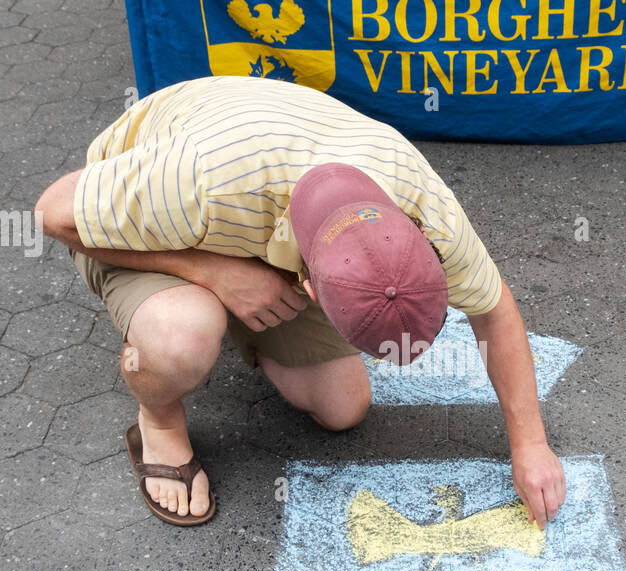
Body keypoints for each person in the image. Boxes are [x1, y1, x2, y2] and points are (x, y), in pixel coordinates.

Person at [36, 75, 566, 528]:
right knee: (183, 335)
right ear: (310, 287)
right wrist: (214, 271)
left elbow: (494, 312)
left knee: (342, 408)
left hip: (260, 215)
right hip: (160, 217)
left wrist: (530, 446)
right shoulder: (195, 182)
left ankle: (241, 317)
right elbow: (52, 213)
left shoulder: (425, 205)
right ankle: (160, 420)